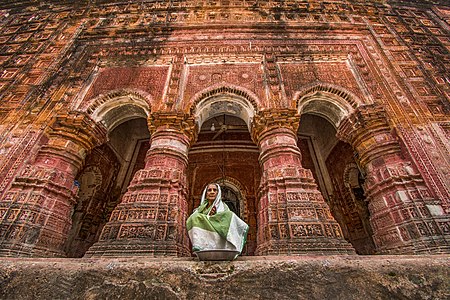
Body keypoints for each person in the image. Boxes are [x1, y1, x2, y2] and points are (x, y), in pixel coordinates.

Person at [186, 183, 249, 255]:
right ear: (206, 194)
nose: (212, 192)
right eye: (209, 190)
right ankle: (200, 246)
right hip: (206, 234)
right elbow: (194, 220)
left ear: (218, 193)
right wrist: (208, 217)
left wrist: (215, 216)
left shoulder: (224, 207)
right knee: (194, 217)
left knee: (229, 214)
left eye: (214, 190)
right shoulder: (200, 209)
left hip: (218, 233)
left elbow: (226, 221)